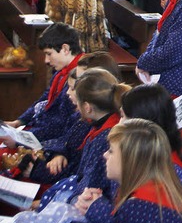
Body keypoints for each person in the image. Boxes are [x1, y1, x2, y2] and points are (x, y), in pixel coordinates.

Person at [36, 68, 130, 212]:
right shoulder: (97, 125)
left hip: (88, 201)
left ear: (87, 107)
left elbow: (91, 182)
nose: (68, 93)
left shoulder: (104, 137)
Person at [102, 119, 182, 223]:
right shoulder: (157, 186)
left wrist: (97, 210)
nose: (104, 155)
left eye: (111, 151)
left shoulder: (137, 207)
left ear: (131, 161)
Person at [1, 23, 82, 146]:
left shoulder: (79, 78)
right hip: (39, 130)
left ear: (65, 49)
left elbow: (59, 124)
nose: (46, 60)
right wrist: (19, 121)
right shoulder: (61, 72)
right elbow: (45, 98)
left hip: (51, 142)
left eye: (49, 54)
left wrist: (20, 141)